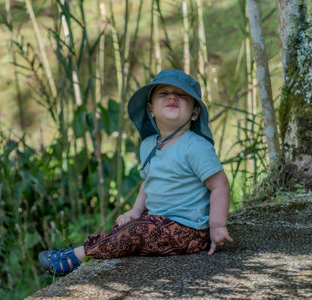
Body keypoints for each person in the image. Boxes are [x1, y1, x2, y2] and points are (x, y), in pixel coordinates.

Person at [39, 69, 233, 276]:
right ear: (151, 110)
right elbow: (148, 182)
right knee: (125, 223)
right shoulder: (149, 144)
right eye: (163, 93)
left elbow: (219, 185)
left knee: (137, 231)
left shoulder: (195, 147)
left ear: (195, 113)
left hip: (188, 230)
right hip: (157, 221)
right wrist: (135, 210)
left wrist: (217, 225)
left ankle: (76, 255)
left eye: (182, 95)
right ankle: (98, 250)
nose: (172, 97)